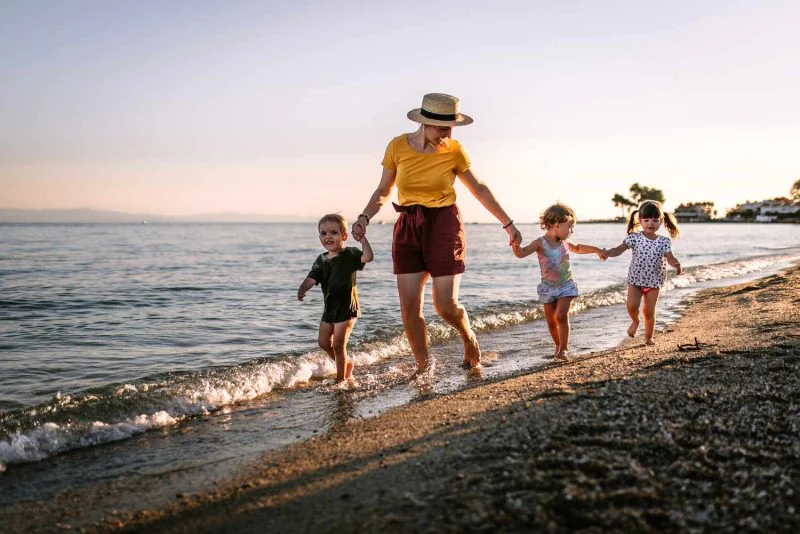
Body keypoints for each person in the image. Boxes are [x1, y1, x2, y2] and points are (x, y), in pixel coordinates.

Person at [350, 93, 521, 374]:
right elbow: (383, 191)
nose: (447, 134)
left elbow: (478, 188)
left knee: (445, 305)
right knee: (409, 308)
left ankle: (468, 336)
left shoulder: (454, 150)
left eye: (451, 128)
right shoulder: (397, 147)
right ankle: (423, 367)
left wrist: (508, 224)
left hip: (444, 225)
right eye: (443, 128)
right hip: (407, 226)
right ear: (426, 124)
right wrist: (364, 217)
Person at [511, 203, 607, 360]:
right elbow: (521, 253)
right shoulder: (540, 243)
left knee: (561, 315)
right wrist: (516, 246)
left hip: (566, 286)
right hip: (547, 288)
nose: (571, 231)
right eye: (570, 227)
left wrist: (597, 251)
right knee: (551, 322)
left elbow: (579, 248)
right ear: (556, 225)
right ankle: (557, 345)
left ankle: (564, 349)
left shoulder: (565, 243)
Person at [298, 214, 373, 382]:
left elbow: (367, 257)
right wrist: (303, 288)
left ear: (344, 236)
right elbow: (312, 277)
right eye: (323, 233)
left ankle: (341, 380)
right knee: (324, 343)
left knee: (339, 346)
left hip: (347, 308)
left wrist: (363, 240)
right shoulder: (321, 260)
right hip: (330, 309)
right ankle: (346, 365)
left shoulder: (350, 254)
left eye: (333, 232)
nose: (328, 236)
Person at [603, 200, 682, 345]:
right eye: (646, 220)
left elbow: (670, 257)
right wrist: (607, 253)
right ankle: (635, 321)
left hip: (654, 281)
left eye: (655, 220)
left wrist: (676, 264)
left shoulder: (664, 241)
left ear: (661, 221)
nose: (650, 223)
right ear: (639, 221)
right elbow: (619, 249)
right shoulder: (634, 237)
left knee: (648, 311)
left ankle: (649, 337)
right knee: (631, 306)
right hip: (635, 280)